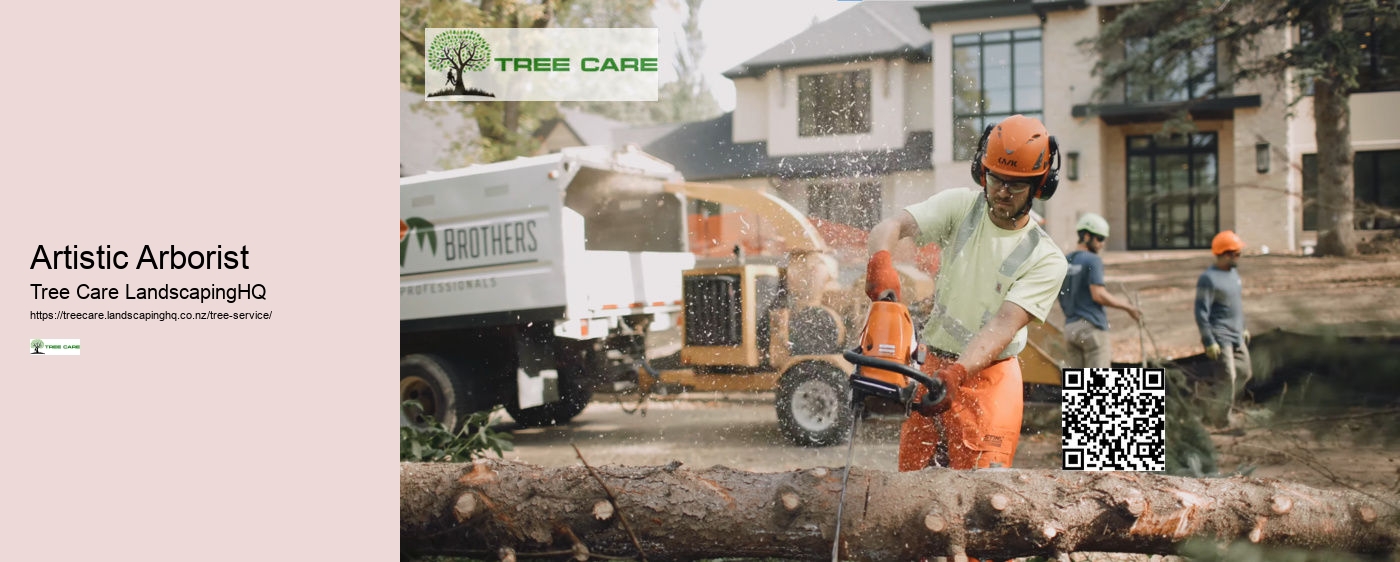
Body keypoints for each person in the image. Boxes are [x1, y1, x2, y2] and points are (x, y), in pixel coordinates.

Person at [866, 115, 1068, 471]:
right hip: (933, 365)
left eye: (1016, 185)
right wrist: (881, 260)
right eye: (996, 179)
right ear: (981, 172)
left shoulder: (1047, 257)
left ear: (1040, 186)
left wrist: (958, 373)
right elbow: (892, 225)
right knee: (913, 482)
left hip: (990, 376)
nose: (1003, 191)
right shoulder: (962, 208)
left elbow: (1003, 325)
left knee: (979, 498)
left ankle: (1105, 474)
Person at [1057, 213, 1140, 368]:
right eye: (1100, 238)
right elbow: (1098, 294)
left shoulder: (1064, 261)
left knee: (1078, 386)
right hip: (1091, 328)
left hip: (1070, 330)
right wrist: (1128, 307)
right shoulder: (1092, 260)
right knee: (1098, 387)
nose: (1102, 244)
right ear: (1087, 236)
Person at [1195, 230, 1251, 427]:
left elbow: (1236, 304)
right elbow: (1201, 311)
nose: (1239, 257)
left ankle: (1212, 406)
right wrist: (1209, 340)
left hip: (1237, 334)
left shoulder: (1234, 274)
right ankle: (1221, 420)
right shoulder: (1208, 279)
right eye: (1237, 253)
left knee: (1244, 372)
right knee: (1228, 377)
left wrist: (1243, 327)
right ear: (1226, 254)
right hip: (1220, 336)